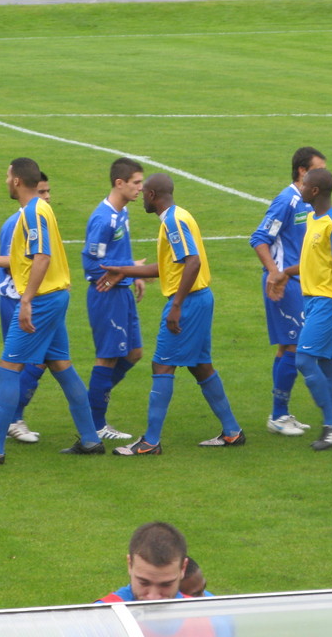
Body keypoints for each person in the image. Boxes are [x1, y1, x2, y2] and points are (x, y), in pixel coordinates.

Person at [0, 158, 103, 466]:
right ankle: (90, 439)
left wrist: (26, 301)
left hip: (42, 302)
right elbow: (28, 257)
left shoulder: (33, 212)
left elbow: (42, 258)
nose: (6, 180)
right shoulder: (39, 209)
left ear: (18, 181)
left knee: (7, 369)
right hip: (55, 296)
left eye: (8, 176)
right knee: (62, 366)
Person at [104, 173, 244, 456]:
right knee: (200, 365)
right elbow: (168, 267)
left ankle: (150, 441)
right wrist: (124, 270)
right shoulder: (177, 217)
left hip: (189, 301)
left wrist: (177, 305)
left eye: (145, 193)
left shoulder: (173, 221)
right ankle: (232, 432)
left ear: (153, 196)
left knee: (162, 365)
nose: (141, 196)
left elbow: (193, 261)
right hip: (198, 298)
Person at [0, 173, 55, 444]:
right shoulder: (17, 223)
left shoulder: (39, 216)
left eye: (49, 191)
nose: (47, 197)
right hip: (17, 300)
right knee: (28, 363)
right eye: (42, 191)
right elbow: (13, 261)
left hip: (35, 299)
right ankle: (13, 420)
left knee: (45, 361)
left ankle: (15, 419)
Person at [271, 167, 332, 451]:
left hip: (329, 303)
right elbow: (314, 262)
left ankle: (330, 426)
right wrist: (286, 272)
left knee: (305, 360)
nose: (301, 187)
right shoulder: (313, 218)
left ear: (315, 191)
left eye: (305, 185)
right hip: (314, 300)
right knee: (329, 365)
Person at [250, 147, 325, 437]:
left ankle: (280, 413)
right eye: (318, 169)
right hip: (285, 284)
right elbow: (259, 238)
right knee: (294, 347)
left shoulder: (308, 201)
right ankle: (278, 415)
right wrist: (274, 273)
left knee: (288, 347)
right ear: (303, 171)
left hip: (300, 283)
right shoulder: (287, 200)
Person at [84, 158, 146, 442]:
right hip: (107, 295)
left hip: (121, 291)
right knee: (107, 357)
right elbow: (92, 264)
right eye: (136, 183)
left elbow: (116, 258)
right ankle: (95, 422)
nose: (141, 189)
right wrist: (125, 273)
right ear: (119, 183)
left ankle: (93, 404)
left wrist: (134, 272)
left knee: (134, 353)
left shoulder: (122, 214)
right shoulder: (104, 218)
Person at [96, 522, 200, 602]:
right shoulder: (101, 616)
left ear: (183, 568)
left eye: (166, 585)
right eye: (144, 583)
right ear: (130, 565)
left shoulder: (202, 614)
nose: (153, 598)